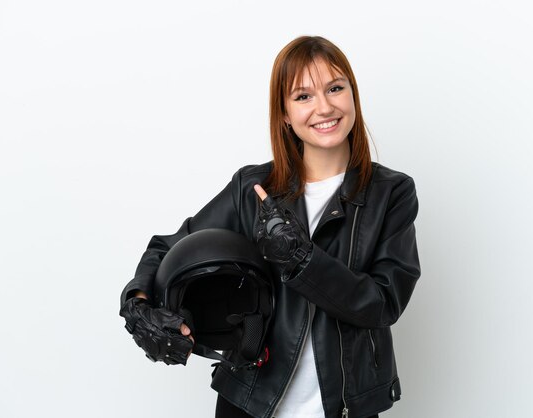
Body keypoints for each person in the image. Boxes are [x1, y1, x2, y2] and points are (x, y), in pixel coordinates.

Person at [119, 35, 421, 418]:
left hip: (344, 408)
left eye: (335, 88)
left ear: (353, 96)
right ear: (284, 113)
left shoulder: (390, 192)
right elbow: (167, 248)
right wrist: (138, 303)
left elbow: (382, 303)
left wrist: (302, 259)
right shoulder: (254, 189)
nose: (324, 107)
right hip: (248, 402)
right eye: (303, 96)